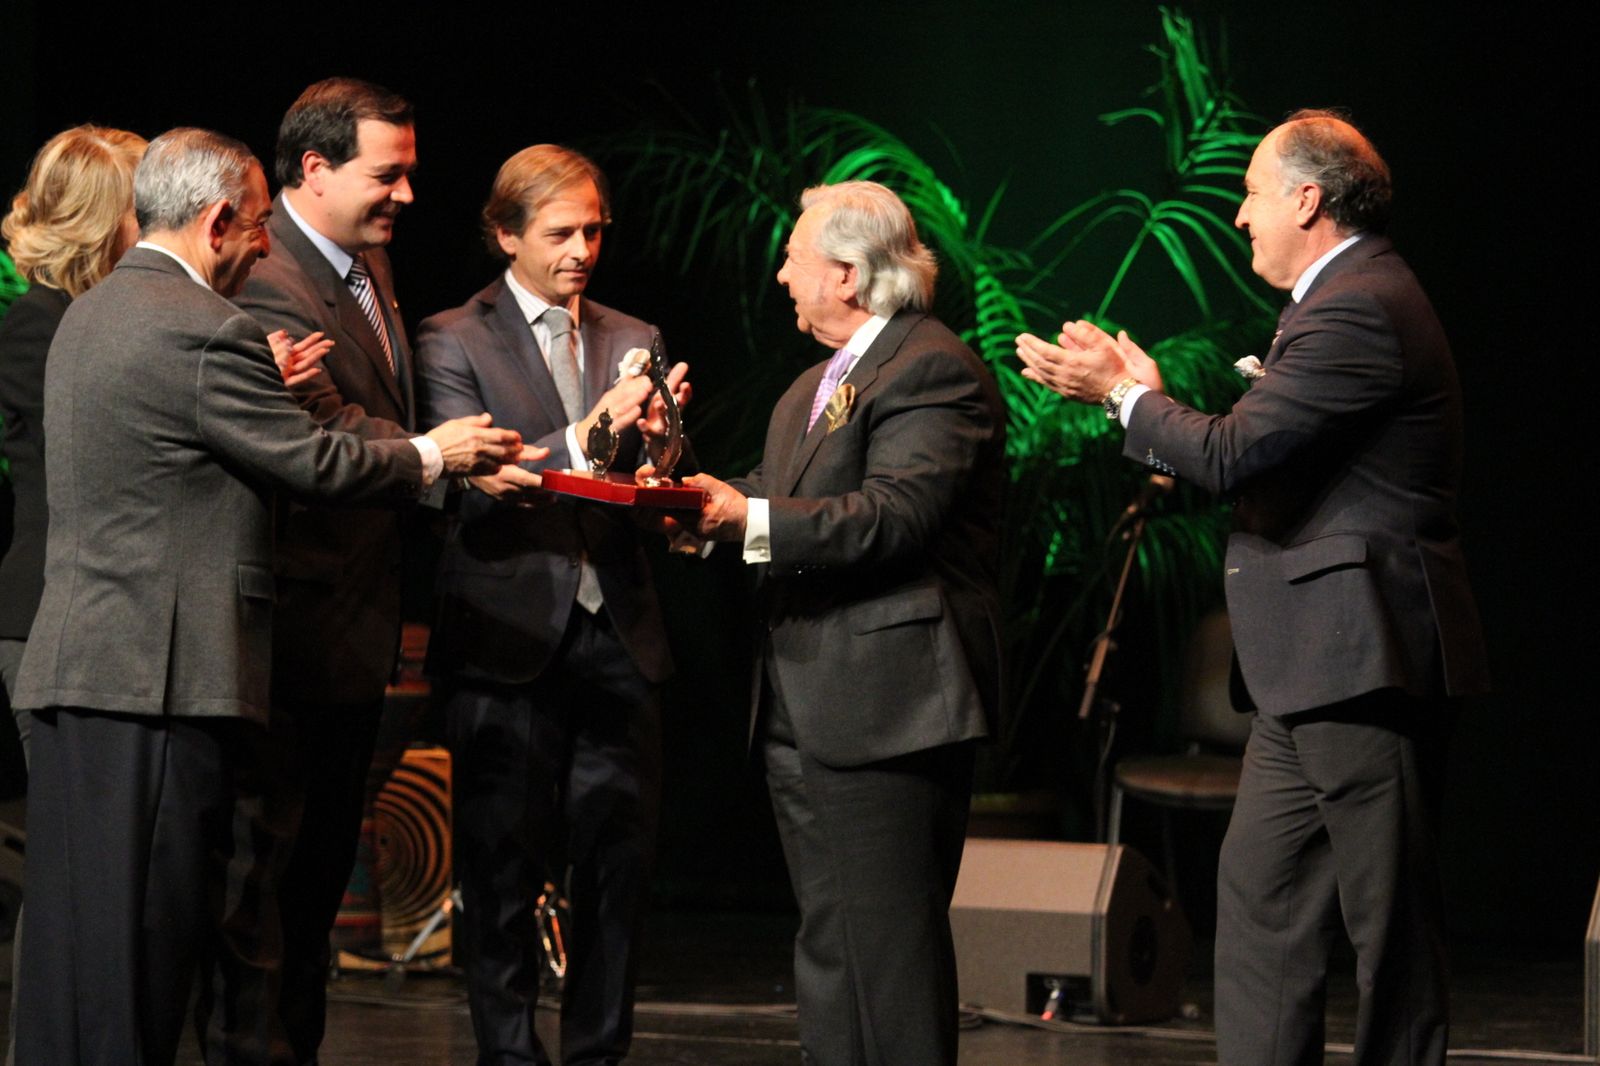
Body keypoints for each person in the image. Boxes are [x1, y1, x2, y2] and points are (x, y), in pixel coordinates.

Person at [8, 127, 519, 1066]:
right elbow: (312, 461)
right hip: (162, 683)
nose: (260, 251)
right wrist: (433, 454)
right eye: (253, 233)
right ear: (216, 222)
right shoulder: (205, 328)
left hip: (82, 667)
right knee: (146, 944)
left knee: (75, 944)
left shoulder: (92, 310)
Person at [1015, 110, 1488, 1066]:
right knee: (1263, 900)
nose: (1237, 216)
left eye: (1250, 194)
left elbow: (1232, 455)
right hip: (1309, 671)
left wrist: (1122, 395)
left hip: (1364, 664)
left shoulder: (1359, 303)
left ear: (1307, 199)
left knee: (1387, 926)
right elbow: (1261, 452)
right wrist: (1146, 395)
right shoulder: (1336, 302)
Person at [229, 77, 529, 1064]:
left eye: (409, 171)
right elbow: (313, 435)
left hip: (352, 629)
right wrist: (440, 456)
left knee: (312, 890)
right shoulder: (267, 275)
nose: (405, 192)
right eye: (385, 172)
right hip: (293, 632)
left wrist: (456, 459)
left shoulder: (365, 267)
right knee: (267, 893)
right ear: (312, 169)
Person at [672, 180, 1005, 1066]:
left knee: (889, 954)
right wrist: (678, 496)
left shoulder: (932, 368)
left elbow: (892, 516)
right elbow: (778, 500)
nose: (781, 273)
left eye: (793, 254)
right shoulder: (813, 387)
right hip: (802, 701)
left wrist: (742, 520)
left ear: (850, 274)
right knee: (831, 946)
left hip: (888, 708)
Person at [416, 144, 690, 1065]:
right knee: (500, 869)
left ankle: (598, 1054)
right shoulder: (452, 336)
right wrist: (596, 426)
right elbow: (483, 475)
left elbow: (660, 485)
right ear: (506, 234)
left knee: (617, 869)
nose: (582, 250)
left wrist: (662, 453)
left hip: (617, 632)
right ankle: (506, 1055)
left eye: (594, 231)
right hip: (507, 638)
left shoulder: (632, 331)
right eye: (560, 233)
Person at [0, 121, 146, 1066]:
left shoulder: (101, 319)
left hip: (92, 614)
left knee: (89, 869)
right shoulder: (37, 327)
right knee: (58, 866)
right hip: (45, 616)